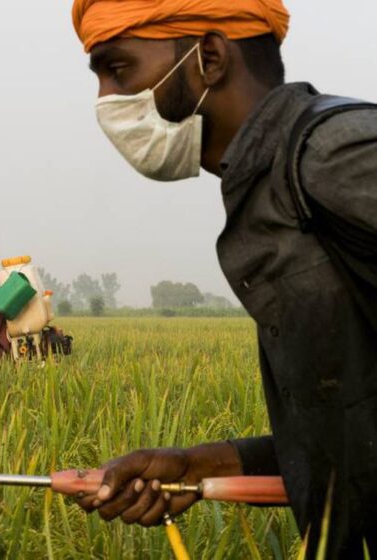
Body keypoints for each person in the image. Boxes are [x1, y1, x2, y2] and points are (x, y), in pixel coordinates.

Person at [69, 0, 376, 557]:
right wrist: (198, 464)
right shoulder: (269, 184)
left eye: (119, 71)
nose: (106, 103)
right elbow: (353, 430)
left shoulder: (333, 157)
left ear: (208, 57)